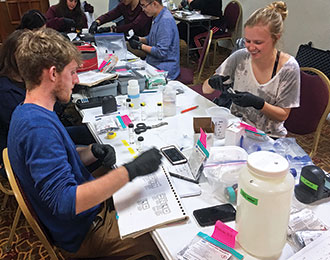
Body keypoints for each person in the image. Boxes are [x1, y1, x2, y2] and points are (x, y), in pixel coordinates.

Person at [8, 28, 163, 259]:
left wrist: (92, 152)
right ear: (52, 74)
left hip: (84, 219)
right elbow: (65, 202)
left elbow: (61, 162)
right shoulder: (37, 129)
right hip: (85, 232)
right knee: (162, 240)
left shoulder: (31, 111)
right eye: (72, 72)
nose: (77, 80)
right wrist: (131, 170)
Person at [202, 1, 300, 138]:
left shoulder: (288, 68)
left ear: (275, 38)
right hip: (235, 127)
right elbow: (205, 90)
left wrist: (259, 104)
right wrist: (212, 82)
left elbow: (282, 115)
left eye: (258, 42)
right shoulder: (240, 56)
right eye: (248, 40)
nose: (251, 47)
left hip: (267, 136)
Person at [128, 0, 180, 80]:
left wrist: (140, 46)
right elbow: (153, 38)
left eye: (144, 6)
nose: (143, 9)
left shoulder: (165, 21)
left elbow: (161, 52)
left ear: (154, 3)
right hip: (154, 63)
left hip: (164, 69)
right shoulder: (157, 16)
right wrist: (139, 39)